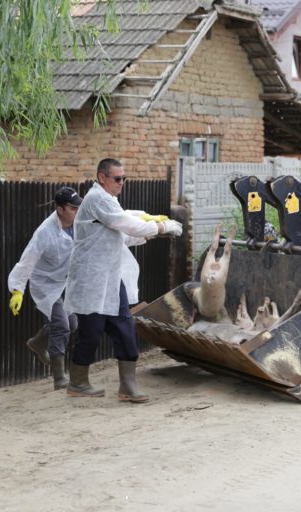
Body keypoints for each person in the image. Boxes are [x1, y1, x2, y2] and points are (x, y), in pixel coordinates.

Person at [64, 158, 182, 403]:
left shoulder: (109, 202)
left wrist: (149, 230)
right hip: (91, 279)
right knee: (91, 332)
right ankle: (77, 382)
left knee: (124, 326)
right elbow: (126, 224)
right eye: (117, 179)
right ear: (102, 178)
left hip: (109, 279)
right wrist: (161, 228)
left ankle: (128, 386)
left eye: (123, 178)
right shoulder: (98, 199)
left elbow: (120, 235)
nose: (121, 183)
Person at [7, 186, 83, 389]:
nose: (77, 211)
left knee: (73, 324)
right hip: (45, 283)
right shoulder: (45, 232)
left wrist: (144, 230)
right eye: (73, 208)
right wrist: (17, 290)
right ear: (60, 209)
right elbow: (27, 262)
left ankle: (38, 342)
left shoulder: (81, 223)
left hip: (64, 280)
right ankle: (59, 378)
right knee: (61, 325)